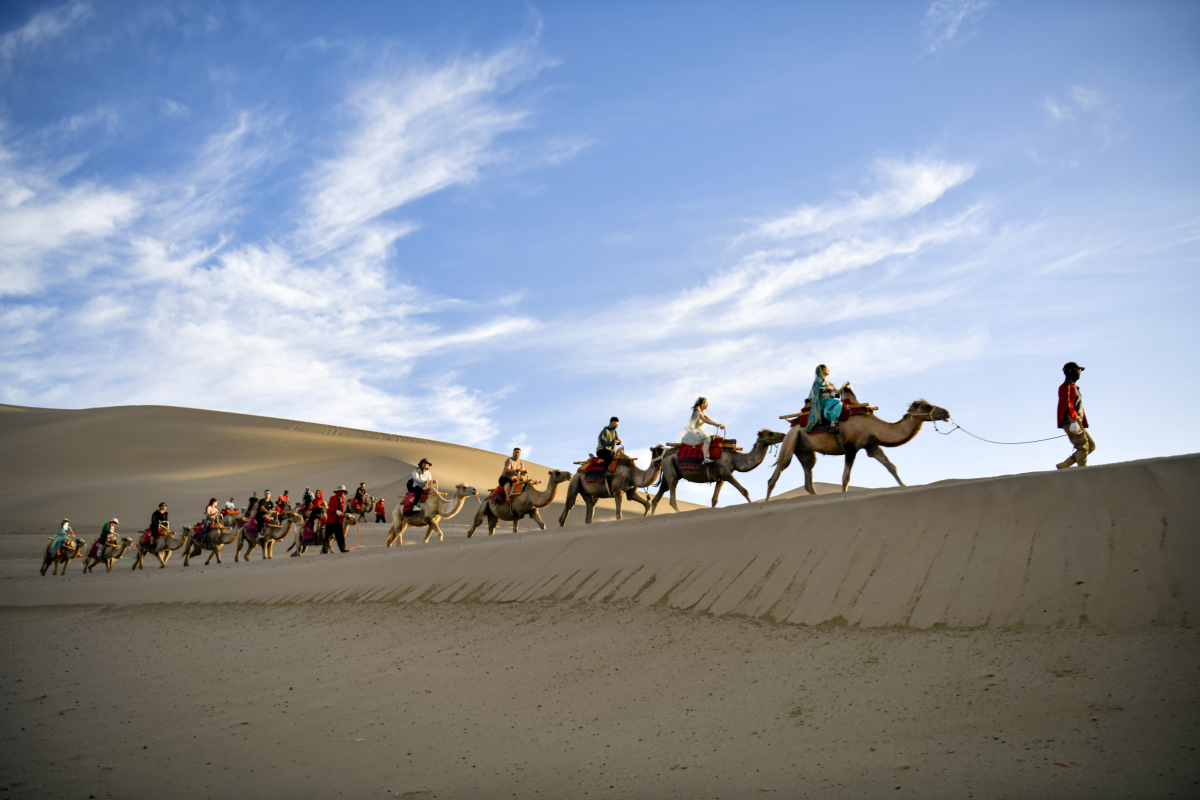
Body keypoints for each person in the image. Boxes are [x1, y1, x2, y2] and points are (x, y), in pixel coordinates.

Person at [1057, 361, 1096, 469]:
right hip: (1072, 421)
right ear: (1070, 371)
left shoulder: (1073, 387)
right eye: (1078, 370)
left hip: (1076, 421)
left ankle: (1066, 463)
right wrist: (1073, 421)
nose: (1079, 372)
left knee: (1091, 446)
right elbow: (1067, 404)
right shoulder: (1066, 386)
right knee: (1082, 446)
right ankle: (1082, 471)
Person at [803, 365, 848, 435]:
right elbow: (815, 392)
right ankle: (833, 423)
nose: (828, 370)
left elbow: (837, 392)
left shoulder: (830, 383)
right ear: (822, 370)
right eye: (827, 368)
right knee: (838, 403)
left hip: (829, 399)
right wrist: (826, 389)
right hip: (822, 399)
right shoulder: (818, 381)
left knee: (840, 403)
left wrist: (844, 386)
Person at [679, 398, 725, 464]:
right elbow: (704, 420)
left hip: (699, 431)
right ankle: (705, 458)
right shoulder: (697, 410)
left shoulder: (704, 413)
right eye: (704, 403)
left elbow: (710, 420)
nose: (706, 405)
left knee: (714, 437)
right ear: (700, 404)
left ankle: (710, 454)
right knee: (707, 438)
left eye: (707, 403)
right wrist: (717, 425)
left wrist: (719, 425)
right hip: (693, 432)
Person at [325, 485, 349, 553]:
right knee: (327, 537)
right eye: (341, 491)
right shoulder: (332, 498)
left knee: (340, 536)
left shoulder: (343, 501)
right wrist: (336, 511)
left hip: (339, 522)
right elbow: (330, 507)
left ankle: (343, 549)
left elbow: (342, 511)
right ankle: (325, 551)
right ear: (338, 492)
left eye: (343, 492)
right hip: (331, 521)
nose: (342, 493)